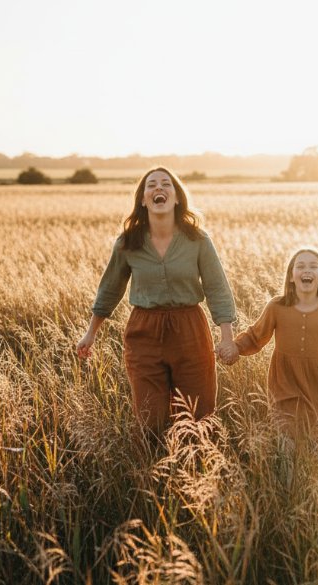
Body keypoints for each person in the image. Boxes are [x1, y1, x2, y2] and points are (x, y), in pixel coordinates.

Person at [76, 166, 237, 434]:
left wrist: (227, 337)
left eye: (166, 184)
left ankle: (197, 470)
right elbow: (109, 290)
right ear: (143, 199)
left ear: (176, 198)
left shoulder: (197, 240)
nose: (158, 188)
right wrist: (90, 333)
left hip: (190, 329)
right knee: (149, 418)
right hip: (144, 331)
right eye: (151, 185)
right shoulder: (128, 242)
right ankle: (152, 469)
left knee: (198, 417)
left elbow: (217, 287)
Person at [223, 247, 318, 447]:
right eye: (300, 266)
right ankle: (288, 467)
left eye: (314, 266)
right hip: (284, 378)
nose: (307, 270)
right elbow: (255, 335)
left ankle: (316, 468)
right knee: (287, 426)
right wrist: (235, 347)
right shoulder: (277, 306)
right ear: (291, 277)